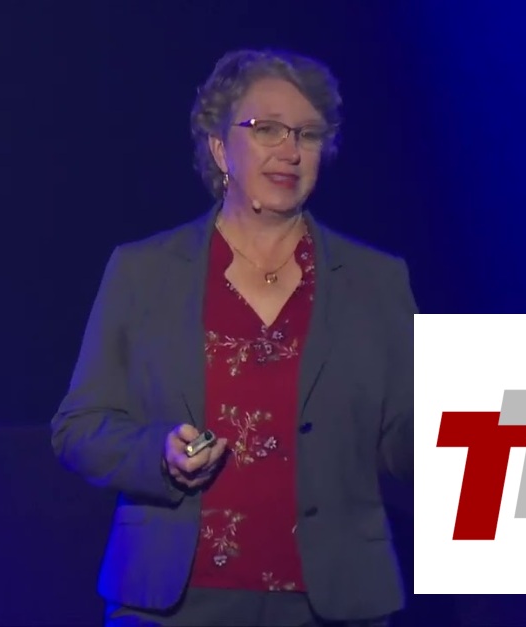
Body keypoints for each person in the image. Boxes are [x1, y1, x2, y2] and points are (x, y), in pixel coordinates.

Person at [50, 48, 417, 627]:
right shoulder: (144, 271)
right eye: (266, 128)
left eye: (308, 134)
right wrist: (159, 453)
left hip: (332, 603)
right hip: (172, 603)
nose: (290, 151)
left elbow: (405, 441)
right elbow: (80, 426)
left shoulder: (376, 282)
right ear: (220, 148)